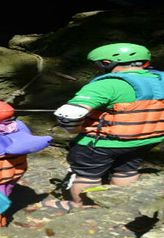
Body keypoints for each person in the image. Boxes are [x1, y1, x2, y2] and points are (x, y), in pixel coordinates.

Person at [50, 43, 163, 211]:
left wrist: (72, 131)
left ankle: (81, 205)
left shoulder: (107, 84)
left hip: (102, 143)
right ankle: (118, 204)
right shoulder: (159, 79)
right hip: (145, 140)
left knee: (87, 174)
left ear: (106, 62)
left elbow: (70, 113)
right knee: (127, 170)